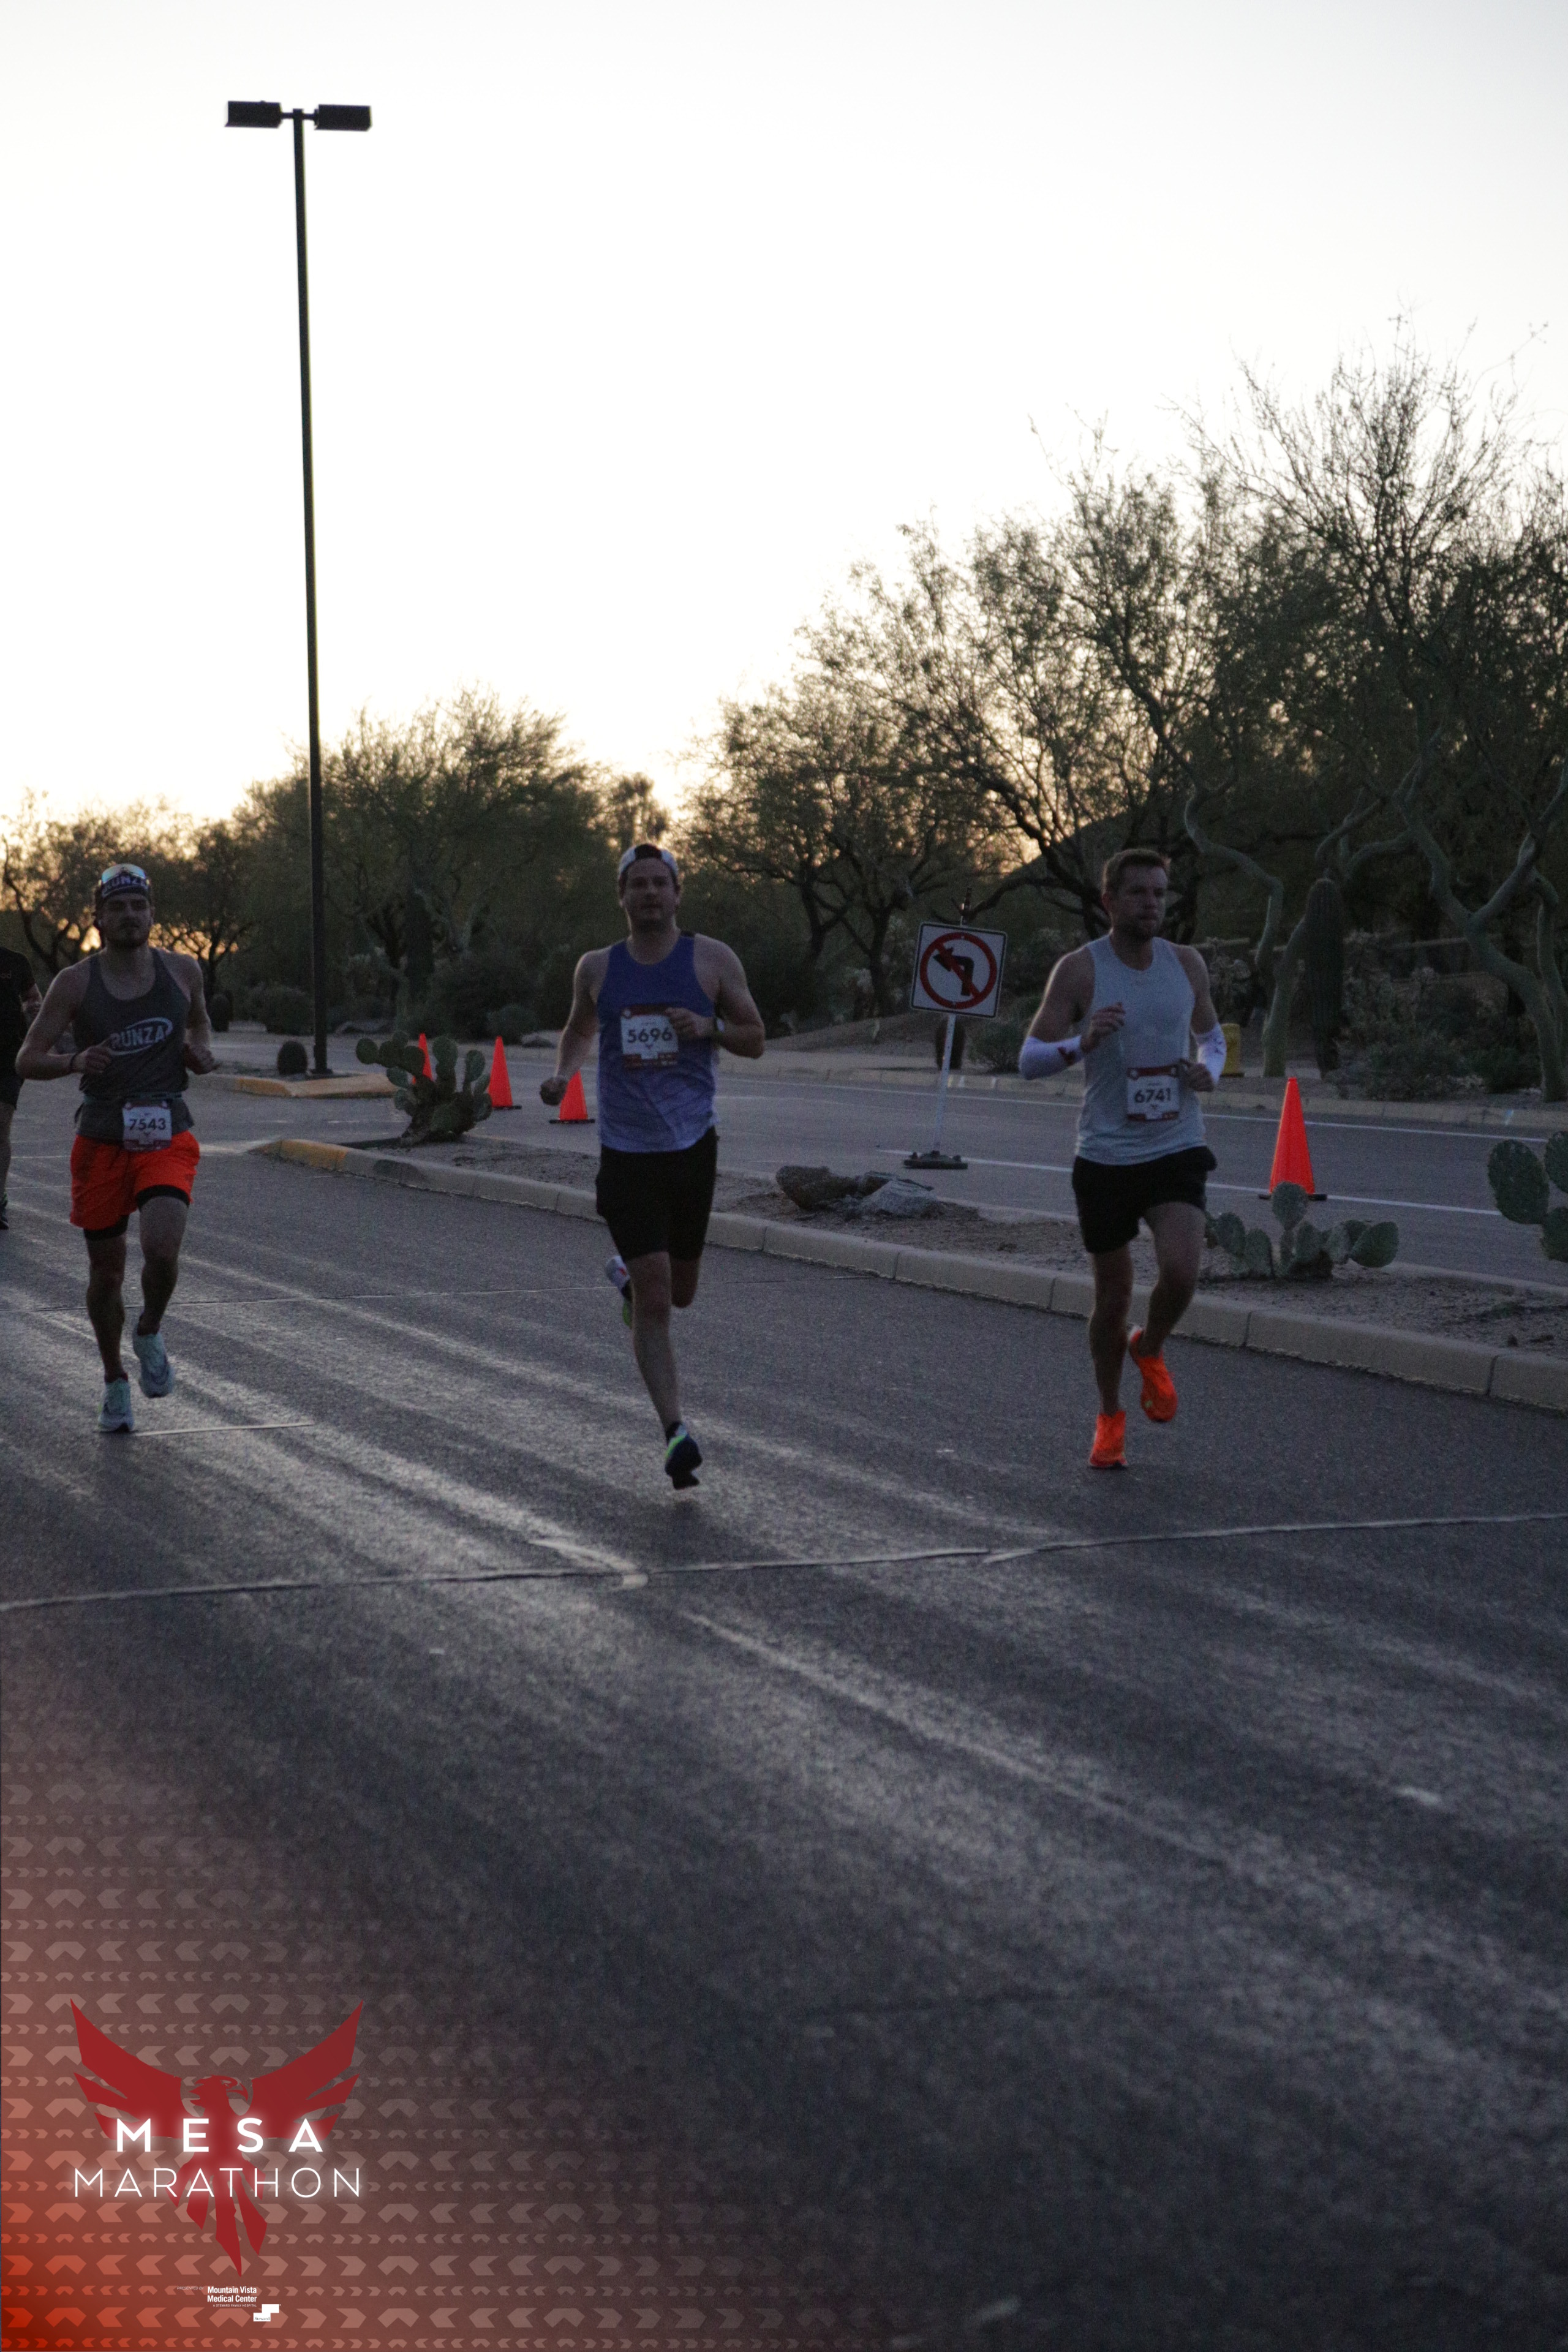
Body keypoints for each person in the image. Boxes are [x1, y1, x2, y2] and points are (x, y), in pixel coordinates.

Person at [541, 843, 765, 1487]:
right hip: (626, 1153)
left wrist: (708, 1027)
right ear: (621, 896)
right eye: (636, 884)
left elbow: (756, 1038)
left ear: (677, 893)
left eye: (658, 884)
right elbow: (580, 1028)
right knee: (659, 1297)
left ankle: (628, 1287)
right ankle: (675, 1433)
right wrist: (562, 1075)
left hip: (692, 1148)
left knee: (681, 1293)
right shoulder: (597, 968)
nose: (648, 894)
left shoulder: (712, 960)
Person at [1020, 846, 1224, 1470]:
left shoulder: (1186, 964)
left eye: (1160, 893)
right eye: (1138, 893)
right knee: (1112, 1300)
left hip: (1176, 1144)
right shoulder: (1080, 971)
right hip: (1106, 1155)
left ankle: (1151, 1346)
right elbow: (1029, 1059)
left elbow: (1213, 1038)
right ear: (1109, 901)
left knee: (1182, 1273)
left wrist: (1208, 1070)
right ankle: (1110, 1414)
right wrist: (1082, 1043)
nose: (1151, 904)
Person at [16, 863, 216, 1432]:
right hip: (102, 1136)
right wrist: (76, 1060)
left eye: (138, 906)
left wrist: (199, 1051)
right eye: (118, 907)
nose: (130, 915)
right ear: (99, 918)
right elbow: (27, 1059)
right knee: (106, 1275)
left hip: (167, 1128)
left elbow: (200, 1025)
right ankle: (114, 1380)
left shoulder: (183, 971)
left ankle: (149, 1329)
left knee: (162, 1248)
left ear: (152, 913)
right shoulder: (75, 983)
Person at [1, 941, 44, 1230]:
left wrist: (33, 1007)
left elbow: (33, 997)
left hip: (8, 1058)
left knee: (1, 1125)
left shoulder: (15, 962)